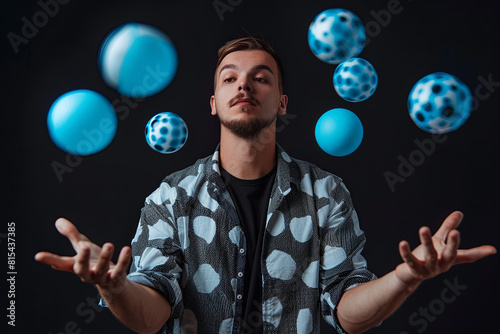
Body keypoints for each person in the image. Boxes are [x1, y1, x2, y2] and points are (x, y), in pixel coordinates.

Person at [35, 37, 497, 334]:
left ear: (282, 102)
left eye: (262, 78)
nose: (245, 86)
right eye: (230, 77)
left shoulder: (326, 194)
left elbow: (347, 312)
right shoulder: (170, 197)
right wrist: (115, 289)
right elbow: (153, 312)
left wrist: (407, 277)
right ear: (214, 103)